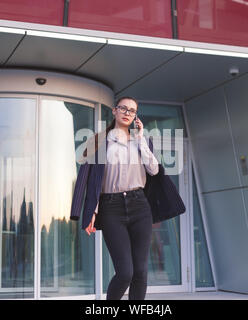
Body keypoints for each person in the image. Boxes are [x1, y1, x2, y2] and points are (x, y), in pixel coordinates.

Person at [70, 96, 186, 300]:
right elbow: (86, 179)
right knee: (125, 273)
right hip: (111, 208)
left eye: (132, 110)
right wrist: (90, 212)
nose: (127, 112)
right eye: (123, 108)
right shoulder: (97, 141)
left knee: (140, 272)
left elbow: (154, 170)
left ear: (135, 116)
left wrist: (141, 140)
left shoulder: (142, 141)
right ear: (114, 111)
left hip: (140, 206)